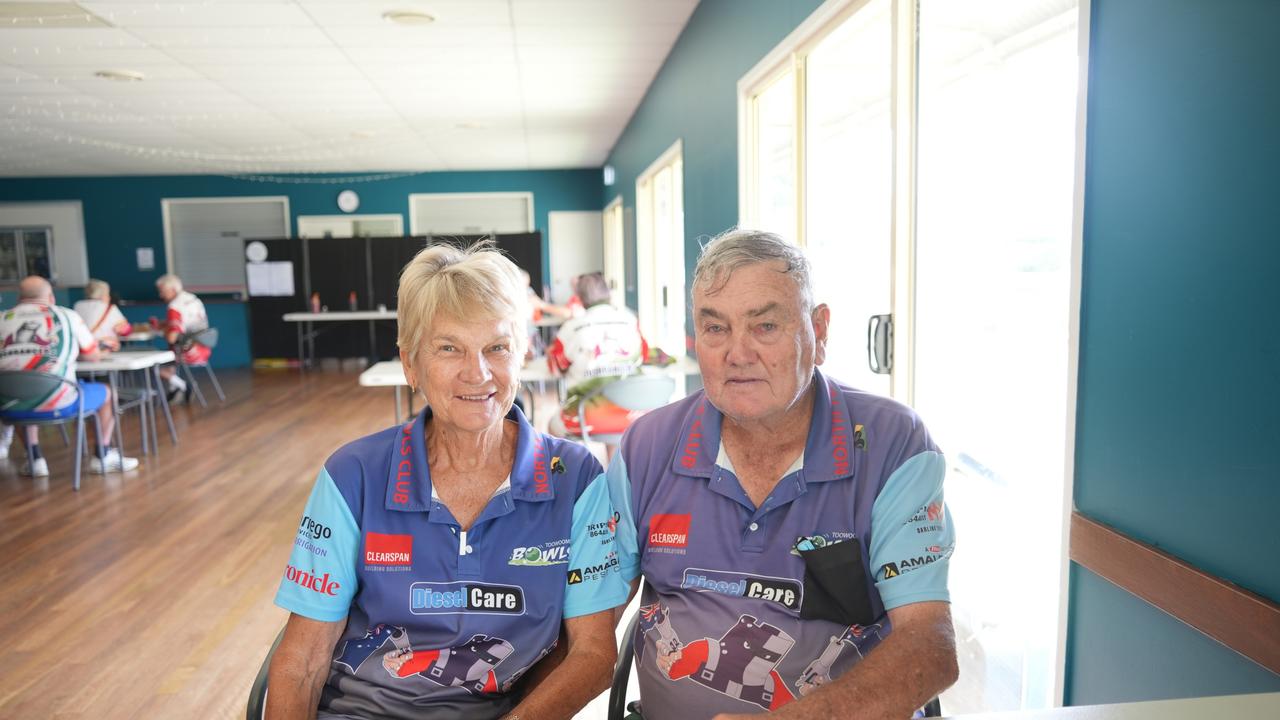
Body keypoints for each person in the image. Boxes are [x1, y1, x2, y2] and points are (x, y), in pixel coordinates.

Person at [267, 244, 629, 720]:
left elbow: (593, 656)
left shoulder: (575, 478)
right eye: (448, 348)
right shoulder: (353, 474)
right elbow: (303, 662)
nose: (477, 373)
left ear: (523, 353)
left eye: (497, 347)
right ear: (411, 364)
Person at [606, 230, 958, 720]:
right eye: (715, 329)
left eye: (765, 326)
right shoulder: (647, 445)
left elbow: (929, 645)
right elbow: (589, 623)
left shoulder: (892, 443)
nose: (738, 353)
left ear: (820, 332)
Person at [0, 276, 139, 475]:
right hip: (59, 401)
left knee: (23, 394)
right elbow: (91, 356)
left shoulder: (3, 318)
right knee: (108, 393)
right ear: (51, 296)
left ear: (18, 297)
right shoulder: (66, 316)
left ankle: (35, 460)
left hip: (8, 405)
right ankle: (102, 455)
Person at [546, 271, 648, 442]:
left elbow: (556, 368)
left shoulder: (571, 327)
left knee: (552, 426)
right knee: (615, 421)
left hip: (586, 417)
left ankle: (578, 467)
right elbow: (643, 356)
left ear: (579, 298)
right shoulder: (630, 320)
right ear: (608, 293)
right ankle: (613, 467)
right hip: (632, 414)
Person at [152, 273, 209, 403]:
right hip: (203, 347)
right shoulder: (194, 299)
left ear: (172, 289)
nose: (160, 295)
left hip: (188, 352)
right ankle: (174, 390)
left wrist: (163, 331)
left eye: (162, 291)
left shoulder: (174, 307)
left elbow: (171, 338)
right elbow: (187, 322)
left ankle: (183, 386)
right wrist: (167, 324)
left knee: (151, 366)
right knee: (170, 354)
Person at [73, 278, 133, 351]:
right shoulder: (110, 308)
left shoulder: (78, 305)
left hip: (85, 348)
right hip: (104, 348)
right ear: (103, 295)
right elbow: (125, 331)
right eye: (107, 293)